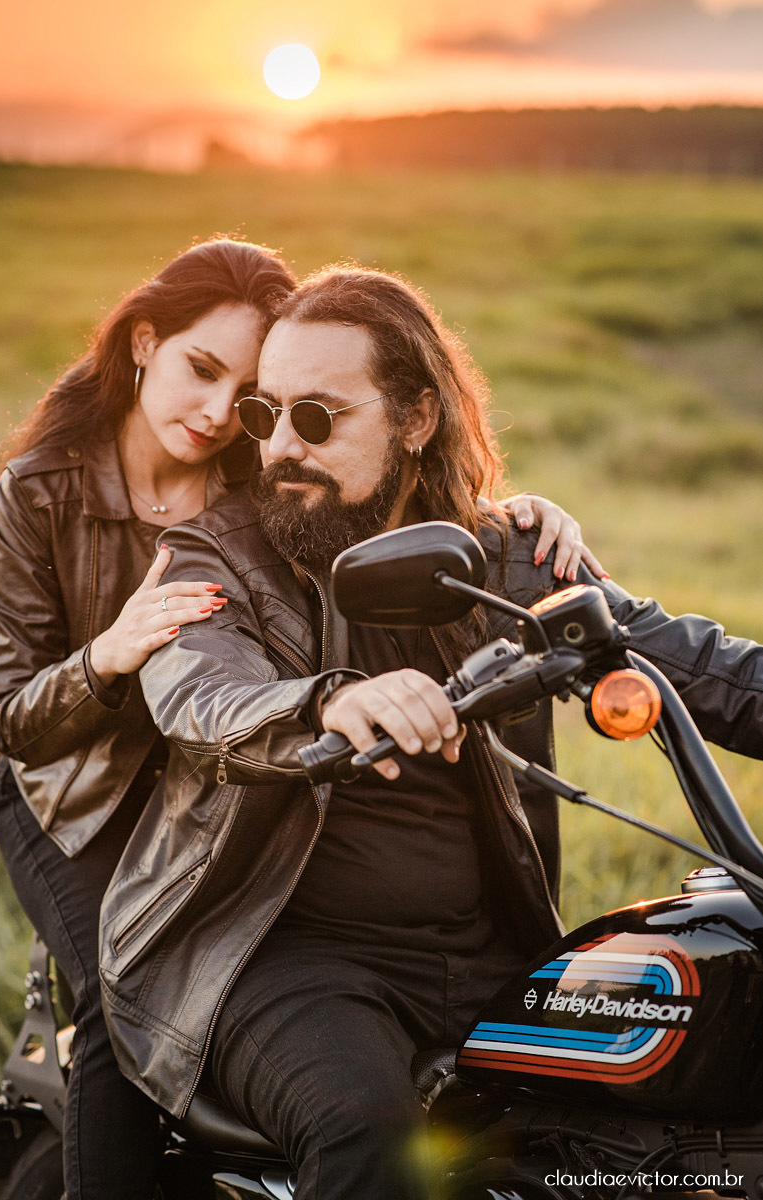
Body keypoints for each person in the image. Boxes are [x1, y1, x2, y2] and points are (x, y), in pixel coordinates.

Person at [99, 264, 763, 1198]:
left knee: (659, 1119)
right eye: (266, 415)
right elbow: (204, 696)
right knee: (370, 1140)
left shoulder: (499, 560)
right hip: (277, 960)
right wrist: (324, 702)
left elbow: (702, 668)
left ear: (415, 420)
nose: (281, 447)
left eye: (318, 419)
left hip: (482, 950)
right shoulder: (212, 556)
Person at [0, 241, 592, 1200]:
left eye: (251, 393)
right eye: (201, 372)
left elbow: (374, 488)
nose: (225, 416)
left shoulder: (257, 471)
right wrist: (111, 654)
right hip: (79, 786)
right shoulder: (42, 490)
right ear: (144, 344)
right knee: (121, 992)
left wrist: (513, 519)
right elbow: (17, 720)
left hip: (218, 780)